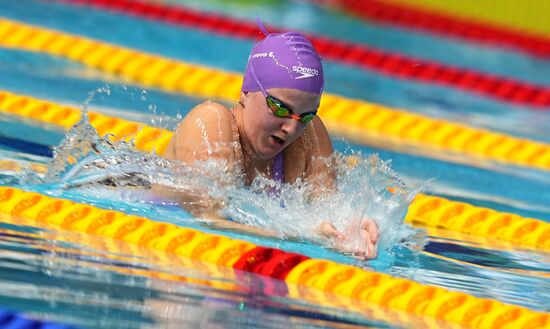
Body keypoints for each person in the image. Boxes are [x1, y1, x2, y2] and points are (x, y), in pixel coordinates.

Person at [156, 20, 378, 259]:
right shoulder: (212, 123)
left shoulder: (309, 134)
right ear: (246, 92)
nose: (292, 127)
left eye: (305, 115)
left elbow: (329, 211)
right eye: (280, 108)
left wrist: (354, 228)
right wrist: (303, 235)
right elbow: (208, 222)